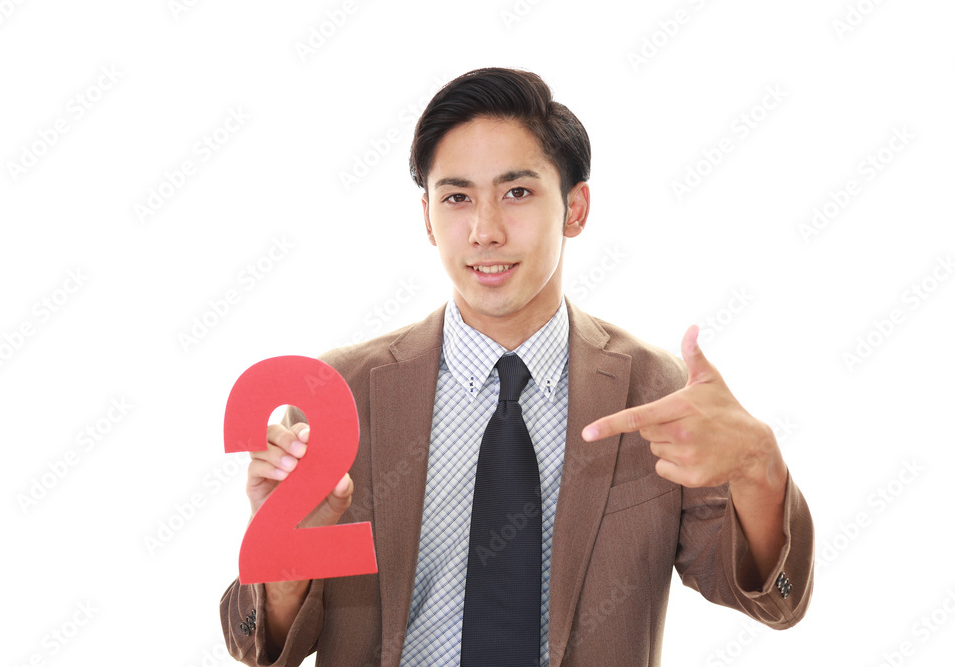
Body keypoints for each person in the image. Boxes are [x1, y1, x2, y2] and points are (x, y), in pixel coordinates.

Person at [220, 67, 814, 667]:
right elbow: (257, 644)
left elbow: (778, 600)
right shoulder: (340, 396)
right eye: (457, 198)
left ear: (575, 209)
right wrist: (286, 559)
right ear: (427, 218)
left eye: (517, 193)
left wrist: (760, 469)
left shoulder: (655, 393)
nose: (485, 231)